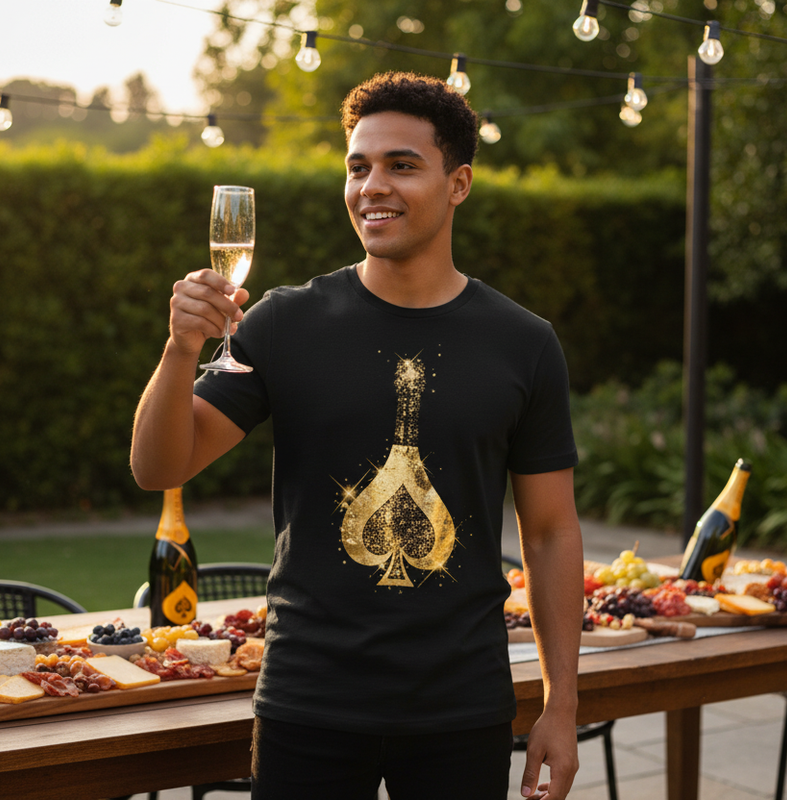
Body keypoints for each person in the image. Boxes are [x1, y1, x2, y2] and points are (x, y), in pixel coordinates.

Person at [131, 71, 583, 800]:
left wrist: (561, 705)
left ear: (458, 183)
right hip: (309, 701)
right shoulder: (282, 322)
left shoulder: (524, 344)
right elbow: (159, 466)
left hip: (461, 706)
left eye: (402, 165)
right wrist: (181, 349)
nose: (373, 185)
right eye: (358, 166)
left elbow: (554, 532)